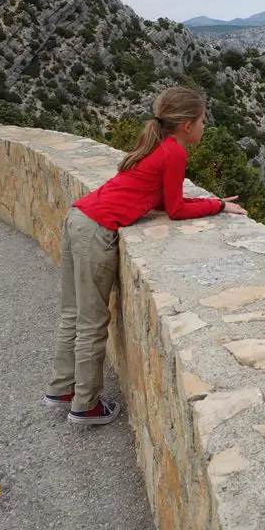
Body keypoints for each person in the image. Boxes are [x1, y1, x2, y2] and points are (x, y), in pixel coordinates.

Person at [43, 86, 247, 426]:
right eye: (201, 121)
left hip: (78, 217)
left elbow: (168, 202)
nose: (204, 127)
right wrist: (220, 206)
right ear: (186, 126)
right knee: (93, 321)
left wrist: (215, 203)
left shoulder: (158, 146)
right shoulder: (174, 153)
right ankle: (85, 406)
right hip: (96, 230)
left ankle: (62, 388)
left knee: (73, 313)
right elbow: (177, 211)